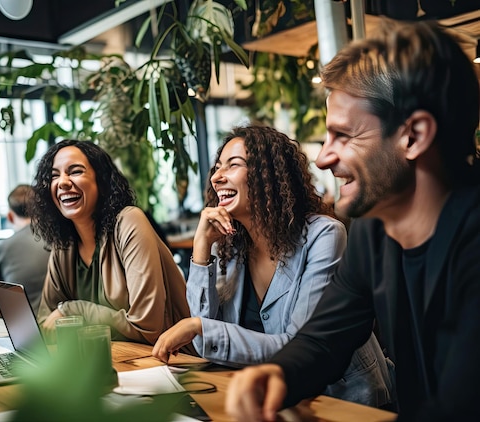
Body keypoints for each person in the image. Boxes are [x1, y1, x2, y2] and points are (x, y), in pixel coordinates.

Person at [225, 18, 480, 422]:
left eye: (344, 136)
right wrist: (278, 374)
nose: (324, 158)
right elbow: (327, 335)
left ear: (412, 136)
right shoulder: (375, 227)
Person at [152, 125, 394, 407]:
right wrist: (201, 249)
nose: (217, 177)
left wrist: (199, 328)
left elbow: (299, 346)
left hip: (341, 403)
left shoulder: (324, 236)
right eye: (218, 168)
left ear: (268, 175)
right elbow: (207, 342)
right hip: (269, 402)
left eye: (233, 165)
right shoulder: (229, 246)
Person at [32, 139, 191, 347]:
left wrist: (72, 311)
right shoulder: (65, 244)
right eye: (54, 175)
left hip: (170, 364)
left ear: (101, 180)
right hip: (108, 361)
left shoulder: (129, 221)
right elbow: (46, 322)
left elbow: (148, 328)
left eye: (75, 171)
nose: (62, 182)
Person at [0, 184, 50, 314]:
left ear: (10, 217)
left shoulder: (4, 248)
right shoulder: (58, 239)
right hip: (61, 323)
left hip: (23, 327)